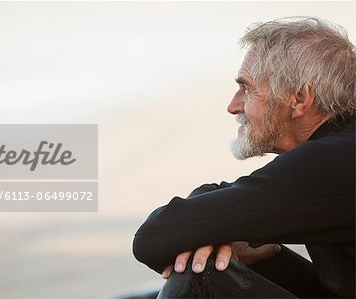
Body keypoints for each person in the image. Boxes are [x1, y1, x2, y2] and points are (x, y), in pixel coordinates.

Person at [132, 17, 355, 298]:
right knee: (224, 258)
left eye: (247, 89)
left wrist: (212, 235)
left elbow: (152, 239)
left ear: (298, 99)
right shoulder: (341, 148)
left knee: (199, 273)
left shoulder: (328, 162)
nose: (233, 106)